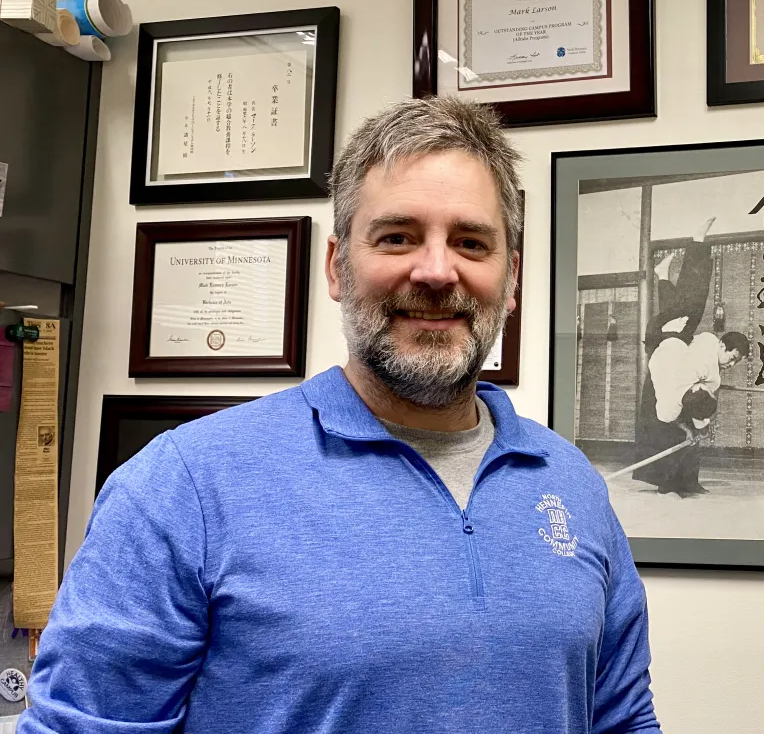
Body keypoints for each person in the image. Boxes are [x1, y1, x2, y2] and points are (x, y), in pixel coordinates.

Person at [20, 98, 661, 734]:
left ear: (511, 277)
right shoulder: (184, 485)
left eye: (470, 241)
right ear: (336, 266)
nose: (437, 271)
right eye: (397, 237)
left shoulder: (571, 483)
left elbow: (624, 720)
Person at [633, 217, 749, 497]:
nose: (730, 364)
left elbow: (706, 390)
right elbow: (709, 383)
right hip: (665, 342)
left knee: (687, 306)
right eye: (732, 357)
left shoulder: (704, 356)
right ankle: (696, 243)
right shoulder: (708, 345)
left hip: (666, 344)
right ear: (722, 345)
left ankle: (663, 274)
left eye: (735, 363)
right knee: (693, 302)